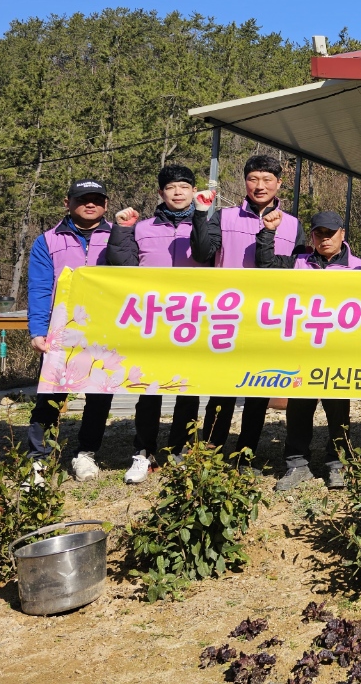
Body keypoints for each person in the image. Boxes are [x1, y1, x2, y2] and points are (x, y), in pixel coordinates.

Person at [190, 154, 304, 462]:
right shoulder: (224, 217)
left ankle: (246, 453)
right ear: (245, 182)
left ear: (279, 183)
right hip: (228, 317)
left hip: (270, 319)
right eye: (253, 179)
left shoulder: (293, 225)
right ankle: (211, 451)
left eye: (267, 179)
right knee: (222, 388)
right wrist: (200, 214)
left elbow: (301, 272)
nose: (260, 185)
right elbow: (201, 253)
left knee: (259, 389)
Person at [107, 164, 206, 483]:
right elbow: (122, 266)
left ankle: (180, 450)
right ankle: (143, 452)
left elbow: (211, 256)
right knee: (148, 390)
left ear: (194, 191)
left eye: (184, 186)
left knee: (187, 389)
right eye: (171, 187)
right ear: (161, 192)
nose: (178, 192)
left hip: (193, 319)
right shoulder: (143, 228)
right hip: (152, 321)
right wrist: (121, 230)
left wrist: (203, 218)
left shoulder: (206, 224)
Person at [254, 209, 361, 489]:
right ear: (312, 236)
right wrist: (267, 233)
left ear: (342, 234)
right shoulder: (297, 262)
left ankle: (337, 463)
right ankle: (296, 463)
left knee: (338, 408)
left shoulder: (360, 268)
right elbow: (264, 266)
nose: (325, 238)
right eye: (319, 233)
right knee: (299, 407)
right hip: (301, 350)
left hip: (339, 351)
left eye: (330, 233)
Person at [26, 179, 114, 481]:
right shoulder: (47, 240)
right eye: (82, 199)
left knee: (99, 396)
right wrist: (38, 330)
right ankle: (38, 460)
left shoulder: (119, 236)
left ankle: (86, 454)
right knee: (51, 395)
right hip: (61, 330)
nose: (90, 204)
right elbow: (39, 288)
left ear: (105, 204)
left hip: (105, 330)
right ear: (67, 203)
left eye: (97, 199)